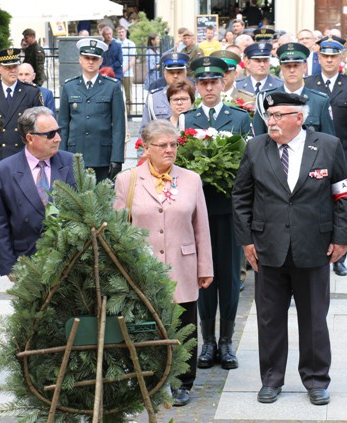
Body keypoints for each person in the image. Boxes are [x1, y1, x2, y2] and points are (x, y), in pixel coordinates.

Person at [232, 91, 347, 406]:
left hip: (314, 248)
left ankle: (316, 380)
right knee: (270, 319)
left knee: (314, 318)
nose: (271, 121)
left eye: (278, 116)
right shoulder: (256, 147)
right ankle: (271, 379)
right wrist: (246, 240)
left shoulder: (328, 146)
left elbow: (344, 194)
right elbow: (241, 197)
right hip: (268, 249)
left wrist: (341, 238)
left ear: (298, 118)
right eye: (269, 116)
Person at [114, 119, 212, 407]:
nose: (170, 150)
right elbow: (119, 229)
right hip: (143, 268)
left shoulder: (191, 179)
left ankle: (183, 381)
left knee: (183, 324)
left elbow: (201, 226)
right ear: (147, 148)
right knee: (145, 326)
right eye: (163, 145)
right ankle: (150, 379)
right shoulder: (127, 179)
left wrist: (205, 267)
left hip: (182, 265)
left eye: (174, 145)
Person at [184, 56, 252, 372]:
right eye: (203, 82)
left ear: (224, 83)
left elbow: (248, 163)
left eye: (214, 81)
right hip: (196, 211)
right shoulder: (186, 119)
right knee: (203, 275)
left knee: (228, 275)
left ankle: (226, 341)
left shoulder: (238, 118)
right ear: (197, 86)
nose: (209, 87)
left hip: (229, 209)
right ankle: (207, 340)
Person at [305, 36, 347, 277]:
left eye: (334, 57)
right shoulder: (308, 83)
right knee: (316, 205)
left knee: (342, 204)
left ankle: (340, 256)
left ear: (341, 58)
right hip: (313, 155)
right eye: (325, 56)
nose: (329, 61)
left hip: (342, 155)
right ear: (318, 58)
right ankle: (318, 250)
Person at [0, 107, 75, 277]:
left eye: (58, 131)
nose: (58, 138)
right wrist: (10, 269)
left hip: (69, 262)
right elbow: (0, 223)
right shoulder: (4, 171)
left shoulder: (71, 162)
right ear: (30, 138)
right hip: (28, 261)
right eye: (51, 134)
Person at [58, 39, 125, 182]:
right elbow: (63, 125)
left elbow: (118, 126)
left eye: (94, 58)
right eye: (86, 58)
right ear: (80, 60)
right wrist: (61, 155)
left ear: (101, 61)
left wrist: (117, 158)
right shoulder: (69, 87)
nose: (90, 62)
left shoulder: (112, 87)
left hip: (102, 155)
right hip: (74, 156)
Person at [0, 48, 43, 189]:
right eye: (8, 67)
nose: (12, 70)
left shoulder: (31, 92)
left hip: (25, 156)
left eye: (15, 66)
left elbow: (40, 128)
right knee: (2, 205)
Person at [253, 42, 335, 137]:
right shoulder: (266, 98)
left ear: (304, 67)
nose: (292, 70)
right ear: (281, 68)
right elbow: (258, 140)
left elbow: (328, 141)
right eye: (287, 66)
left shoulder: (320, 101)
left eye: (296, 65)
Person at [140, 52, 190, 133]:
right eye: (171, 72)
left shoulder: (195, 94)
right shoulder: (154, 97)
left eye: (179, 72)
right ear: (165, 74)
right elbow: (144, 129)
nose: (175, 76)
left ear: (185, 73)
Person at [116, 26, 136, 116]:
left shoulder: (131, 44)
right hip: (116, 74)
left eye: (122, 31)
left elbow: (132, 59)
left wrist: (124, 69)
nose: (121, 33)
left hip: (128, 73)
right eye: (119, 32)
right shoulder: (115, 43)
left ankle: (129, 113)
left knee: (129, 95)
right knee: (117, 95)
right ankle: (118, 113)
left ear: (126, 32)